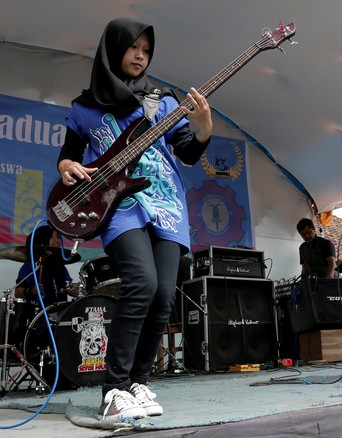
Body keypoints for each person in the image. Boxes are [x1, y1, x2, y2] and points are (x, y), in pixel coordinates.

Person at [56, 18, 213, 420]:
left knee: (163, 295)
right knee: (141, 283)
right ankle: (113, 390)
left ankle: (140, 384)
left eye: (147, 49)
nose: (141, 55)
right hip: (119, 207)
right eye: (133, 47)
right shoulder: (85, 108)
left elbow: (188, 153)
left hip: (167, 205)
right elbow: (69, 155)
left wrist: (203, 129)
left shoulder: (162, 102)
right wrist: (68, 166)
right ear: (113, 50)